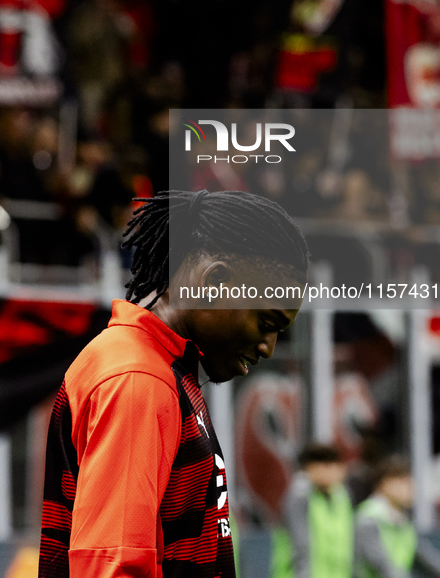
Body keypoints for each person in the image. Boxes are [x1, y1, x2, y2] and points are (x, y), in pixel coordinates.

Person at [38, 189, 309, 577]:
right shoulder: (138, 379)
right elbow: (113, 566)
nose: (268, 348)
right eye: (266, 323)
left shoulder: (160, 368)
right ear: (215, 281)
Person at [354, 456, 440, 578]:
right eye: (404, 482)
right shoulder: (368, 518)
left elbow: (423, 559)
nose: (410, 488)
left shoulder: (402, 519)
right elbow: (381, 565)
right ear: (384, 483)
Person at [271, 443, 354, 578]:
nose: (333, 472)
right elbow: (301, 548)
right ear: (310, 468)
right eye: (327, 466)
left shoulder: (341, 496)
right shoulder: (299, 497)